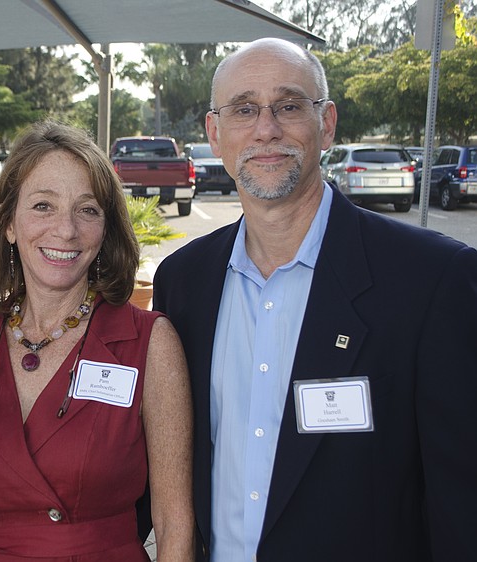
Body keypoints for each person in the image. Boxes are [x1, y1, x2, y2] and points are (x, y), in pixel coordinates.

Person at [153, 37, 477, 562]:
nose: (266, 129)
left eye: (288, 106)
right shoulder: (183, 283)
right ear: (215, 134)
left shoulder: (432, 280)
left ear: (326, 124)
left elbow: (461, 506)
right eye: (244, 110)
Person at [0, 120, 194, 561]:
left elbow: (174, 526)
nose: (66, 230)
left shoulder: (148, 343)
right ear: (8, 223)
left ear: (106, 229)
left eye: (88, 210)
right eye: (43, 206)